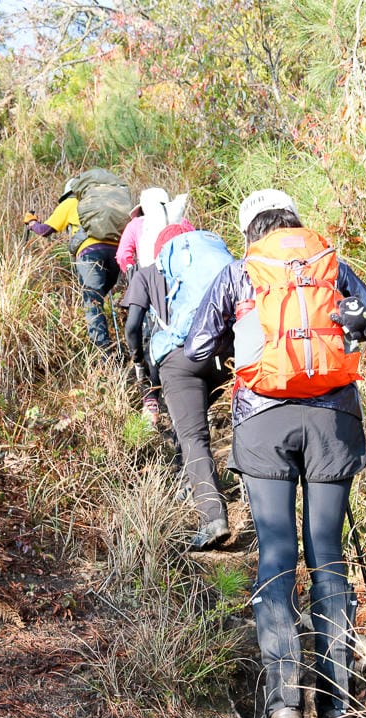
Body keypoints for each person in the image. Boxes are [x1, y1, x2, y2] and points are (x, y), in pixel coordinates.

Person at [183, 189, 366, 718]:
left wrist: (239, 350)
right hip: (333, 421)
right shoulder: (330, 266)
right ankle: (337, 707)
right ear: (296, 223)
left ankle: (283, 705)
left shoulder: (239, 273)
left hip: (263, 421)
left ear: (249, 230)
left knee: (277, 554)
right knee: (327, 553)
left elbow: (197, 349)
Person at [122, 220, 233, 550]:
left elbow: (133, 326)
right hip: (223, 352)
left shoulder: (147, 273)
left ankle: (213, 517)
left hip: (179, 360)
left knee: (192, 436)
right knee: (221, 421)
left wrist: (139, 361)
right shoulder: (210, 264)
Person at [25, 176, 125, 353]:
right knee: (99, 299)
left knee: (92, 303)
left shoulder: (70, 203)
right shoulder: (100, 204)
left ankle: (104, 355)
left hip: (90, 255)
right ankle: (123, 344)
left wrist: (32, 222)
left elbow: (44, 230)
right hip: (115, 253)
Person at [116, 188, 190, 425]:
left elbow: (123, 254)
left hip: (150, 282)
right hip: (183, 281)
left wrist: (131, 274)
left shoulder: (137, 224)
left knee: (152, 338)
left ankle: (152, 401)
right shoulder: (182, 221)